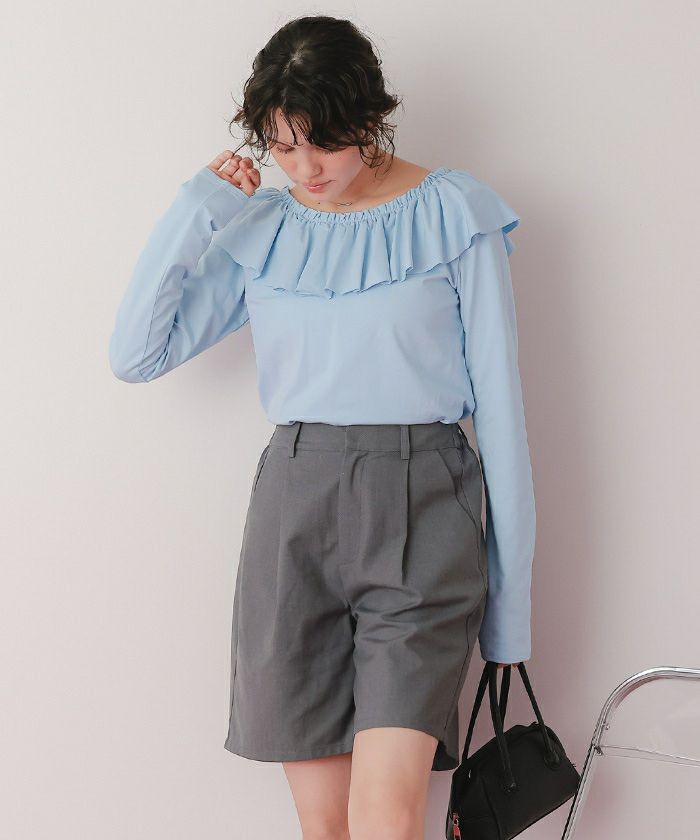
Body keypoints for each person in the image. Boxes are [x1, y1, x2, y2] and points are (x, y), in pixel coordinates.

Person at [108, 13, 536, 840]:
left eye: (324, 144)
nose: (305, 169)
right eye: (282, 146)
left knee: (388, 820)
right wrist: (197, 209)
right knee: (324, 827)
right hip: (293, 514)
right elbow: (136, 353)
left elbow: (504, 415)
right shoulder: (264, 226)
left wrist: (510, 615)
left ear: (370, 118)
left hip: (425, 505)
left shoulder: (454, 213)